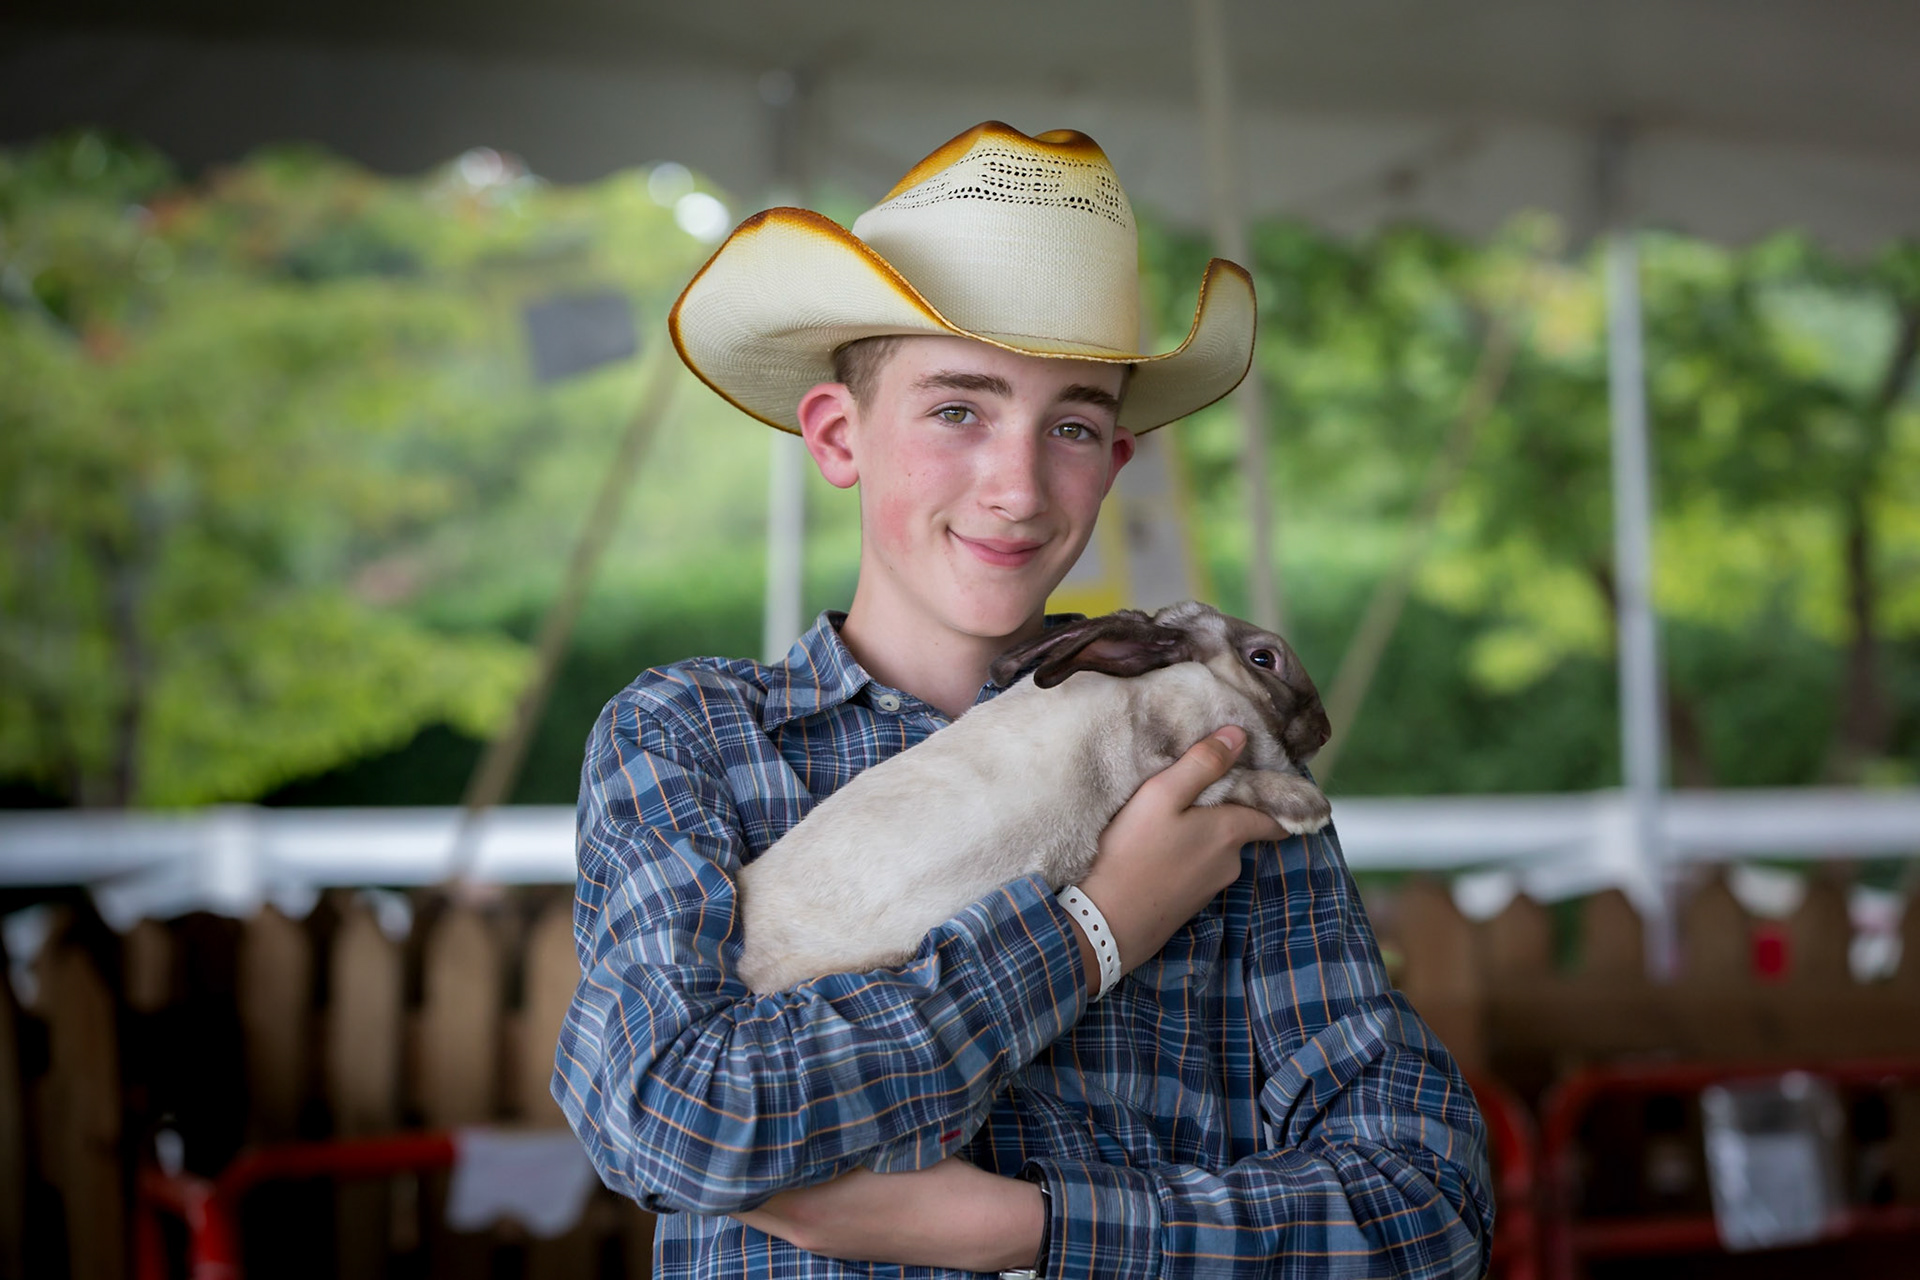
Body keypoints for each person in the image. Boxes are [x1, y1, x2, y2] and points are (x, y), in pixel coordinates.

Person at [554, 121, 1493, 1279]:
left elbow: (1430, 1201)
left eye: (1074, 424)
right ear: (840, 435)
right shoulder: (694, 737)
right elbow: (669, 1114)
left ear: (1115, 460)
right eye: (960, 408)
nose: (1017, 484)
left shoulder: (1212, 756)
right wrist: (1092, 930)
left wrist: (1028, 1228)